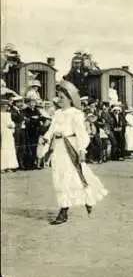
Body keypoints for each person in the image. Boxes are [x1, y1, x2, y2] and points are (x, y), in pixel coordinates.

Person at [40, 80, 108, 225]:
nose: (60, 100)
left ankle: (68, 210)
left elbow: (82, 133)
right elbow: (51, 130)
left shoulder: (76, 114)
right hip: (58, 148)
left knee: (76, 176)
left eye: (62, 98)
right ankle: (67, 207)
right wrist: (45, 139)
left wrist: (82, 149)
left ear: (70, 98)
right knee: (59, 178)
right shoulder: (57, 113)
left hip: (70, 147)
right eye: (58, 97)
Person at [1, 98, 19, 172]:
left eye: (6, 105)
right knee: (3, 149)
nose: (5, 107)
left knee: (10, 148)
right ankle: (2, 167)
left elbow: (11, 122)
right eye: (3, 105)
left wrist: (12, 125)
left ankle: (9, 166)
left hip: (8, 133)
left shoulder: (8, 114)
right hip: (2, 132)